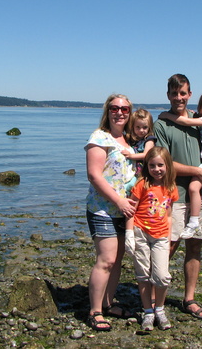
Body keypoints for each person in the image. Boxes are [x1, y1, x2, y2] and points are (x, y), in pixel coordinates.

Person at [153, 74, 202, 321]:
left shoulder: (200, 120)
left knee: (195, 246)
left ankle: (189, 298)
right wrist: (198, 171)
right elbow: (163, 162)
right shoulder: (161, 125)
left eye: (183, 93)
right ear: (168, 95)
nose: (179, 97)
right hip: (175, 195)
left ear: (190, 94)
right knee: (167, 247)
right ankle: (153, 298)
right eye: (174, 93)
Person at [85, 94, 137, 331]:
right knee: (105, 260)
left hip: (124, 213)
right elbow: (94, 175)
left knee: (116, 262)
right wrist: (119, 200)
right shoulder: (100, 137)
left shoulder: (129, 141)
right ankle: (95, 311)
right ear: (108, 111)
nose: (120, 112)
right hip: (103, 210)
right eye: (115, 108)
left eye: (125, 109)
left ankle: (108, 304)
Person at [158, 91, 202, 239]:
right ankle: (194, 222)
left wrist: (167, 116)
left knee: (193, 188)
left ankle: (193, 222)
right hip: (181, 191)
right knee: (170, 244)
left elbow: (186, 122)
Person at [125, 146, 178, 331]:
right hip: (140, 232)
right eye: (152, 165)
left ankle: (160, 309)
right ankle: (148, 311)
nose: (157, 169)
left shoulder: (171, 187)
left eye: (160, 165)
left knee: (162, 276)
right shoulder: (142, 185)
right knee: (143, 274)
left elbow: (169, 214)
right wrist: (129, 234)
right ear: (147, 166)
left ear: (168, 166)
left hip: (161, 236)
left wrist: (169, 237)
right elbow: (131, 210)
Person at [122, 108, 157, 192]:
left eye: (145, 127)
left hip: (143, 171)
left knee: (138, 188)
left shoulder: (149, 139)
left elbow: (146, 155)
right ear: (132, 126)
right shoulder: (130, 139)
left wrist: (131, 156)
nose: (141, 130)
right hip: (131, 171)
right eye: (138, 127)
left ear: (149, 127)